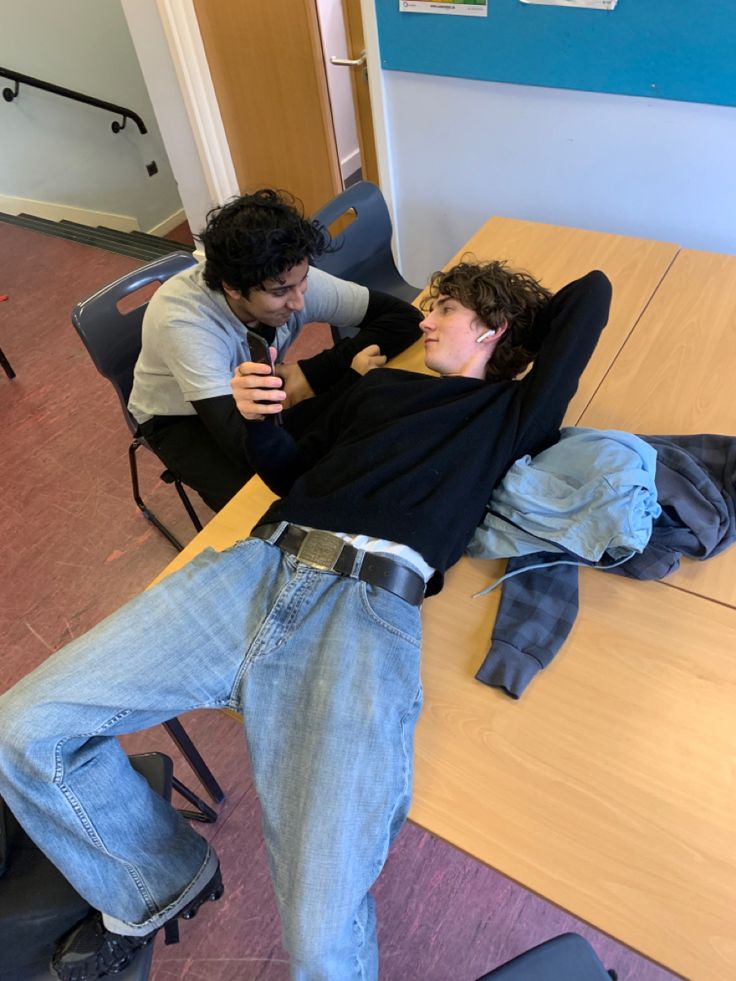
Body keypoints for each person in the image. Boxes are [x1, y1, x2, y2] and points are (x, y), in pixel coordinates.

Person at [0, 260, 612, 980]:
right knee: (25, 728)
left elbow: (591, 292)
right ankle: (159, 881)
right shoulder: (381, 387)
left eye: (442, 308)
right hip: (251, 570)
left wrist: (508, 313)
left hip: (362, 622)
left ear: (493, 327)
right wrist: (259, 423)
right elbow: (291, 472)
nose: (423, 319)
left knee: (321, 943)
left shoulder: (514, 414)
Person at [128, 188, 422, 511]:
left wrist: (310, 372)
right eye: (281, 292)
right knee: (267, 502)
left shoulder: (283, 270)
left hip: (251, 394)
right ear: (233, 288)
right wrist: (345, 380)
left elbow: (404, 320)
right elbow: (246, 448)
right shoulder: (184, 321)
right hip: (178, 417)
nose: (298, 302)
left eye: (304, 280)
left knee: (340, 439)